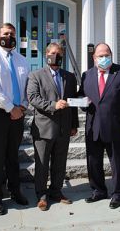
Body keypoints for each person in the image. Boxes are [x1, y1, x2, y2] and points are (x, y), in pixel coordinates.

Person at [79, 43, 120, 209]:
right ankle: (98, 191)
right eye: (100, 56)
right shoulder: (87, 75)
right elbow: (82, 96)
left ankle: (119, 193)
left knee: (118, 162)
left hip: (117, 127)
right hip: (93, 127)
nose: (104, 58)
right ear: (94, 58)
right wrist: (80, 103)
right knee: (93, 161)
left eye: (107, 55)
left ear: (111, 55)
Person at [0, 23, 30, 215]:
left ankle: (15, 191)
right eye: (5, 33)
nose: (9, 36)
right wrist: (11, 108)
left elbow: (26, 86)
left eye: (12, 34)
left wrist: (23, 106)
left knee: (12, 156)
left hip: (18, 114)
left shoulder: (21, 60)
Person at [27, 42, 79, 211]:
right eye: (53, 53)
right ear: (46, 54)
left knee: (60, 163)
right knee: (42, 164)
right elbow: (32, 98)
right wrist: (53, 105)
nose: (56, 56)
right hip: (43, 128)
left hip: (64, 128)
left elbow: (72, 103)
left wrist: (74, 125)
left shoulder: (69, 77)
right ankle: (41, 195)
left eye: (59, 53)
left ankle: (56, 192)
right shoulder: (35, 75)